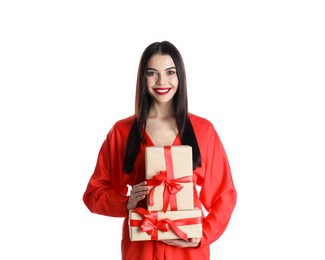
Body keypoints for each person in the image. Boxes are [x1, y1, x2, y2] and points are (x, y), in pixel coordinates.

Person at [83, 41, 237, 260]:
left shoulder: (204, 130)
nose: (161, 81)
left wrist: (204, 233)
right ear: (142, 78)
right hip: (140, 249)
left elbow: (224, 194)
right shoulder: (122, 131)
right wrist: (125, 203)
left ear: (179, 77)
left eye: (170, 72)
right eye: (152, 73)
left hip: (187, 248)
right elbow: (94, 194)